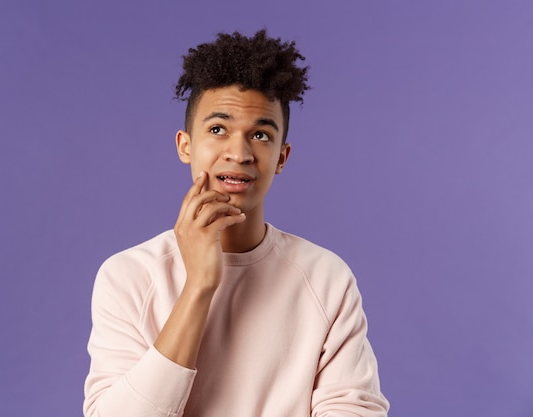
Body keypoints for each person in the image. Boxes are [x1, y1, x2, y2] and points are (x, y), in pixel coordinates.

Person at [83, 30, 389, 417]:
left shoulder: (326, 278)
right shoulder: (128, 276)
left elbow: (354, 410)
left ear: (281, 157)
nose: (240, 152)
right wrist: (198, 287)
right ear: (185, 145)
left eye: (261, 135)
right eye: (217, 130)